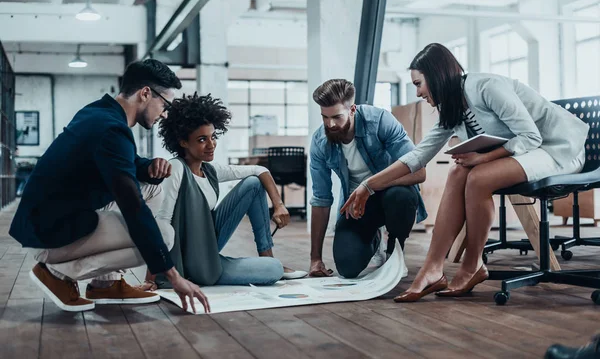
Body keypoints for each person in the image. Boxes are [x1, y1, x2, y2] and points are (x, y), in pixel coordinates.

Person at [342, 43, 588, 302]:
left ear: (436, 75)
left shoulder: (486, 87)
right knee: (457, 173)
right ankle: (432, 269)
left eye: (418, 84)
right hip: (526, 151)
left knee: (479, 177)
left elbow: (530, 136)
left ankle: (473, 265)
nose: (417, 93)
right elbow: (417, 156)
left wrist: (483, 157)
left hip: (558, 148)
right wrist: (368, 185)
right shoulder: (451, 108)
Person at [9, 59, 210, 314]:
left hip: (47, 219)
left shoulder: (100, 112)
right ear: (145, 93)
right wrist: (172, 275)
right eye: (165, 104)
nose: (164, 113)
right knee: (164, 235)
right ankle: (57, 273)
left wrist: (148, 167)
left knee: (153, 188)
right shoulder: (112, 130)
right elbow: (133, 207)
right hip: (52, 235)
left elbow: (121, 163)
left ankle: (106, 284)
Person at [139, 92, 306, 291]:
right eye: (202, 139)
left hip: (207, 247)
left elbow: (260, 170)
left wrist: (278, 205)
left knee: (252, 183)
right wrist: (151, 277)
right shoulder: (176, 169)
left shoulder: (209, 170)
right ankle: (218, 269)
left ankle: (265, 256)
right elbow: (163, 223)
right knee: (273, 270)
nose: (211, 145)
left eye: (213, 137)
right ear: (183, 142)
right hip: (186, 260)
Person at [308, 79, 427, 279]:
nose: (330, 124)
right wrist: (315, 259)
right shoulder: (320, 141)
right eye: (325, 117)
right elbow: (321, 199)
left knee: (400, 196)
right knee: (347, 268)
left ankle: (394, 252)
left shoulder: (380, 120)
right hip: (357, 207)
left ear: (352, 109)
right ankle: (374, 239)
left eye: (337, 117)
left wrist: (370, 186)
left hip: (391, 195)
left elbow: (418, 172)